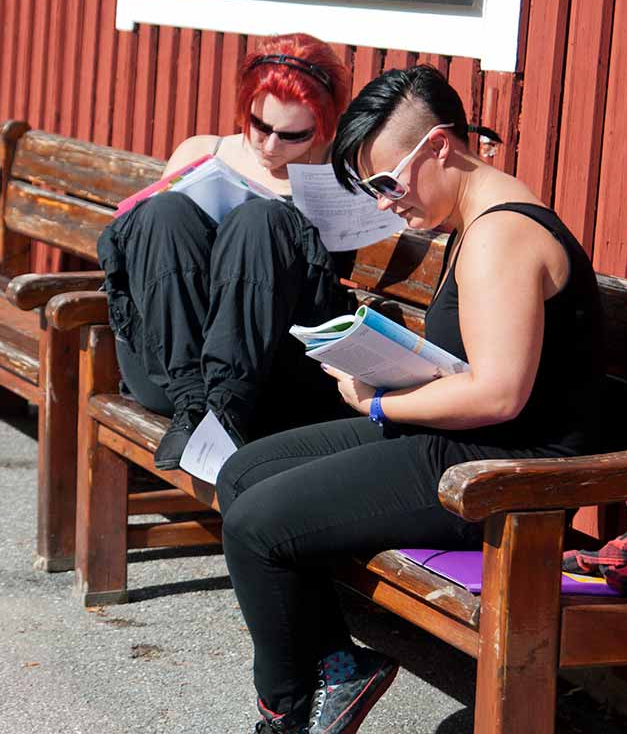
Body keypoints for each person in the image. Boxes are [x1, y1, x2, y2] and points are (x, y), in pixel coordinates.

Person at [216, 65, 606, 734]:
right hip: (468, 444)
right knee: (242, 472)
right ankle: (340, 663)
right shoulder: (477, 222)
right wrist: (384, 370)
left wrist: (379, 405)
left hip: (504, 472)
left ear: (439, 148)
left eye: (384, 183)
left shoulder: (502, 236)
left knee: (257, 527)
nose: (381, 203)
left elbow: (499, 393)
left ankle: (286, 715)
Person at [96, 33, 354, 470]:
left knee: (262, 221)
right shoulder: (202, 151)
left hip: (272, 377)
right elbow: (149, 261)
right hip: (172, 374)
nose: (271, 147)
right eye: (260, 126)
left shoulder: (340, 178)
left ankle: (224, 408)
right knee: (164, 212)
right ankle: (197, 406)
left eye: (294, 135)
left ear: (324, 125)